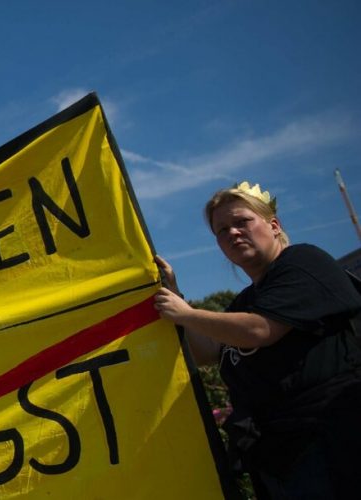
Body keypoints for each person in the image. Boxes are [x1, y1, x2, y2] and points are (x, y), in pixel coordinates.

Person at [154, 181, 361, 498]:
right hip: (281, 459)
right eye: (222, 230)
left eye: (241, 222)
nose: (232, 233)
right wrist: (175, 291)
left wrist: (184, 314)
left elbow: (260, 330)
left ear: (274, 225)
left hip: (334, 445)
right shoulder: (243, 303)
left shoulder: (304, 263)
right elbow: (207, 352)